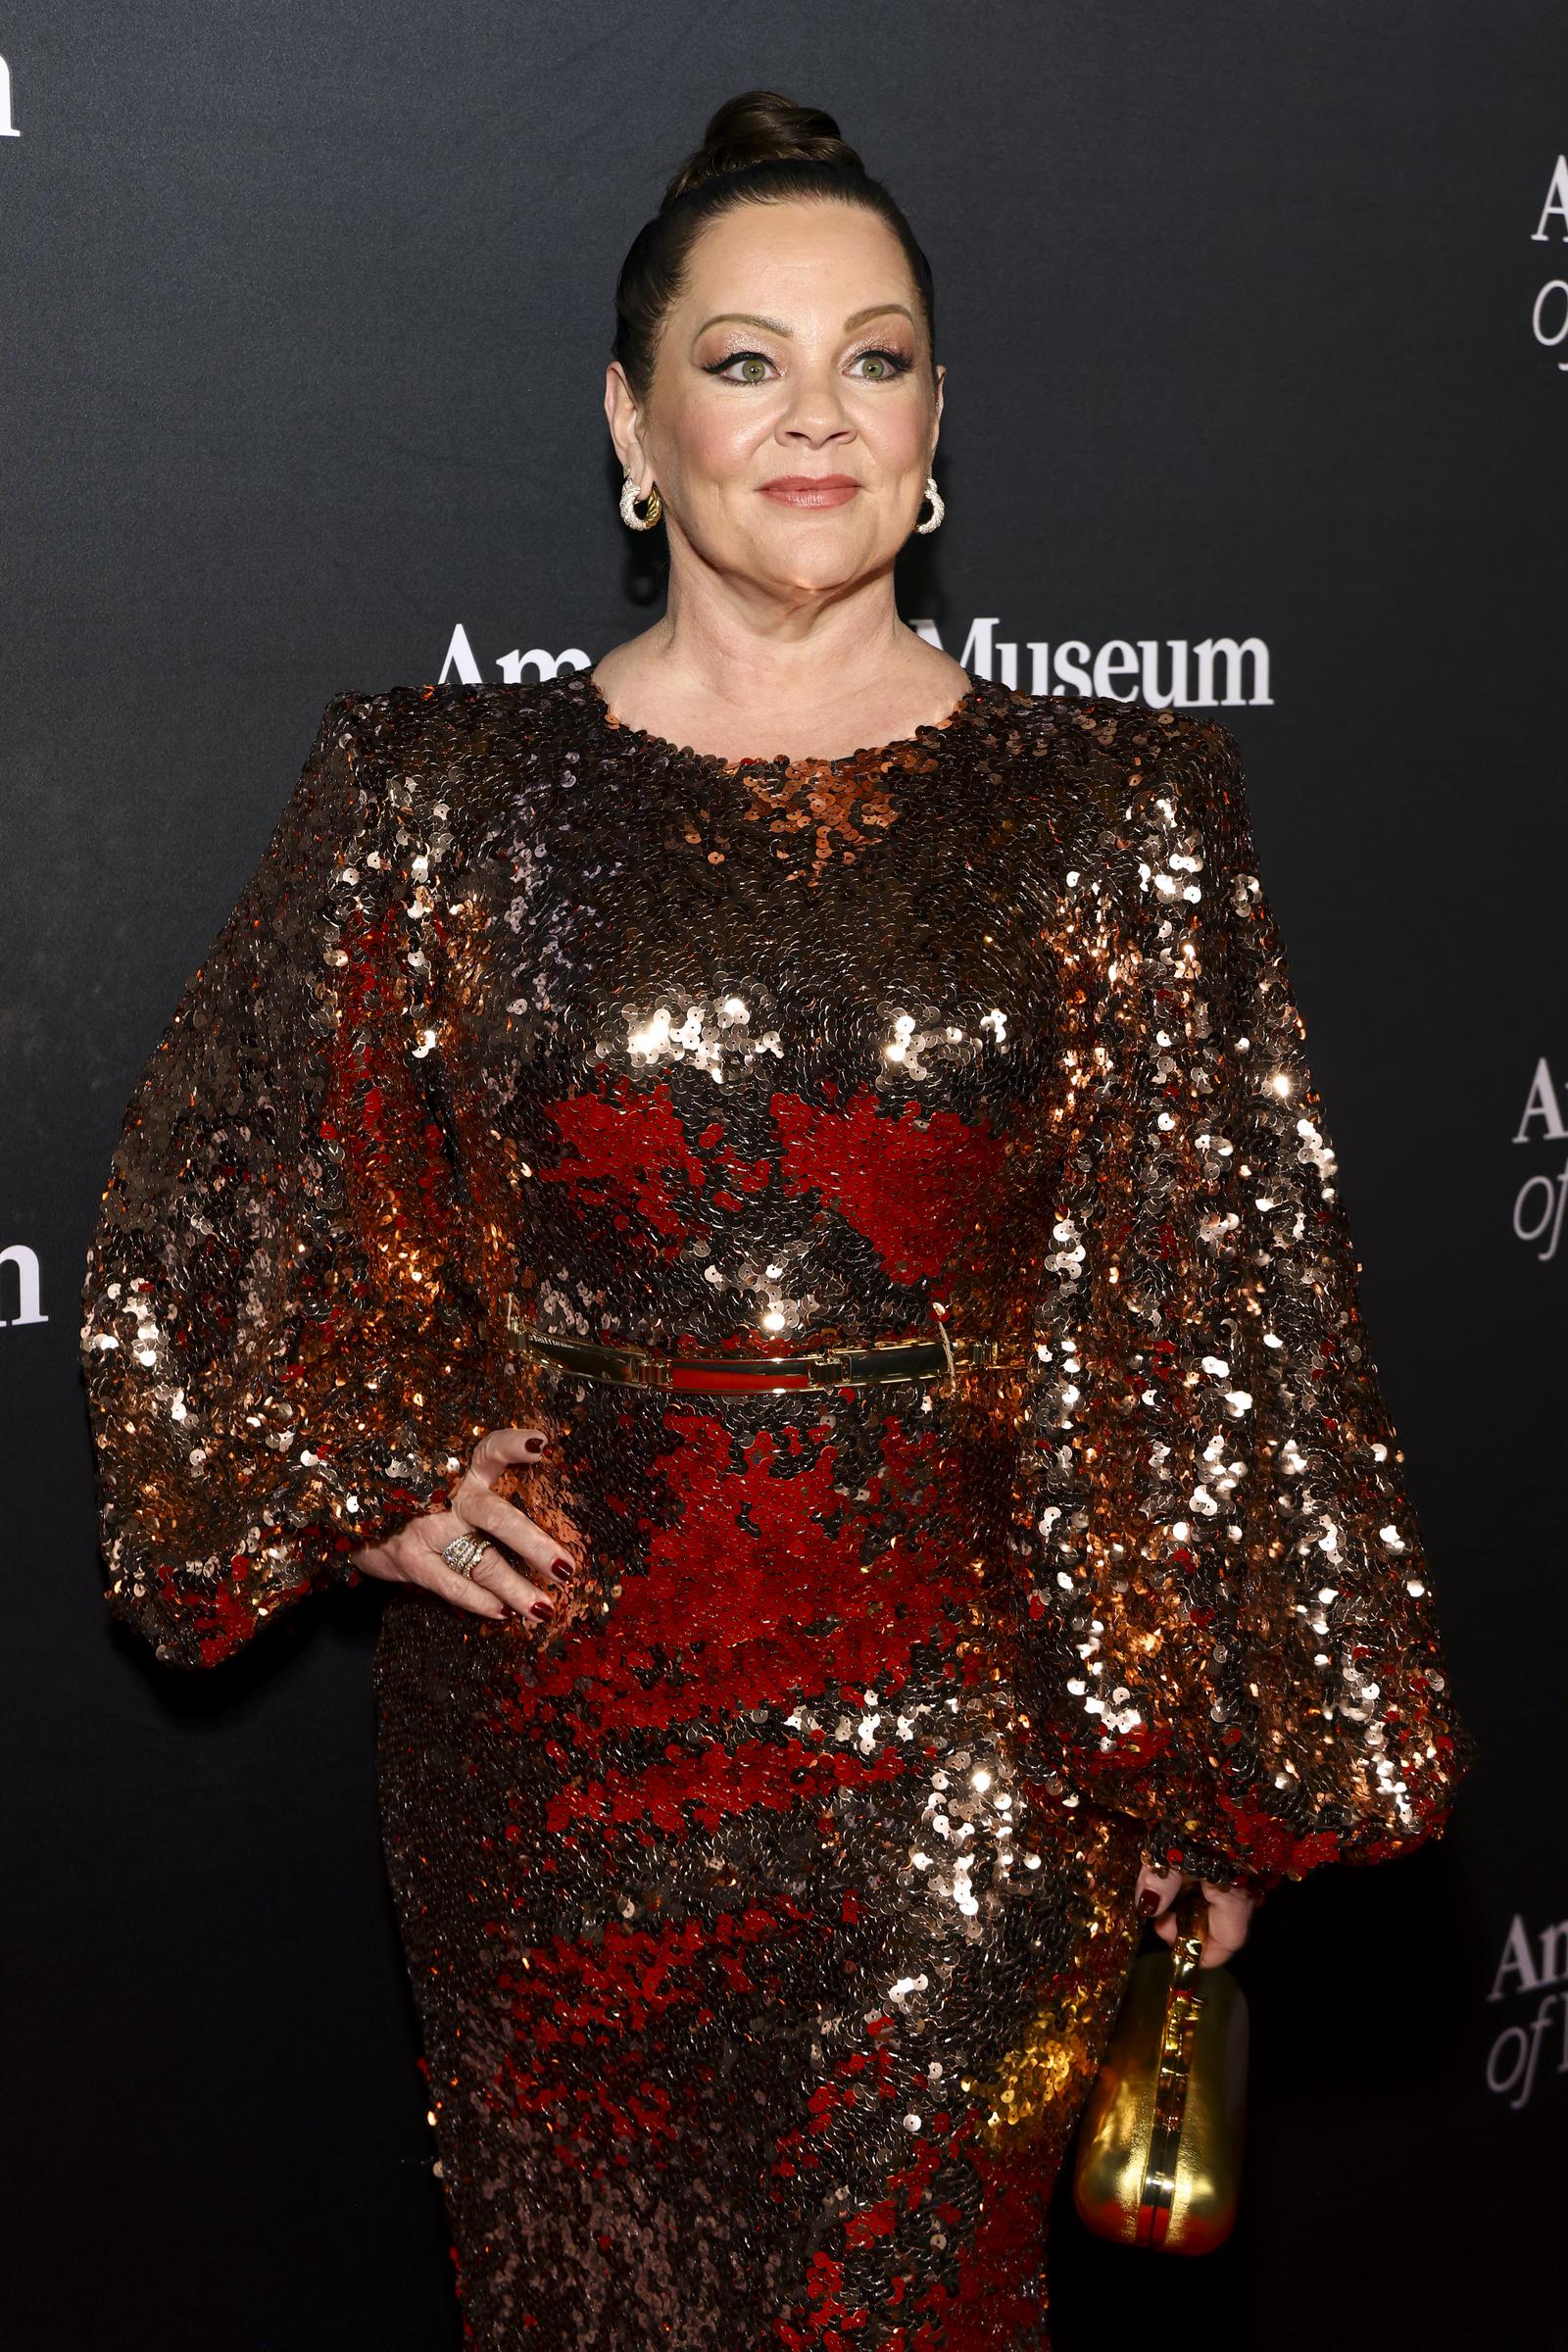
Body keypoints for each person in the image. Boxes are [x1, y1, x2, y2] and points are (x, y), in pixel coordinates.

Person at [80, 88, 1475, 2352]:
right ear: (630, 425)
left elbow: (1209, 1294)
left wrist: (1196, 1750)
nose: (810, 415)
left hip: (969, 1745)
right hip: (546, 1755)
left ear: (939, 421)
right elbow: (208, 1206)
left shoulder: (1109, 812)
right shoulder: (435, 798)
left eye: (872, 357)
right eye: (741, 361)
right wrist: (347, 1473)